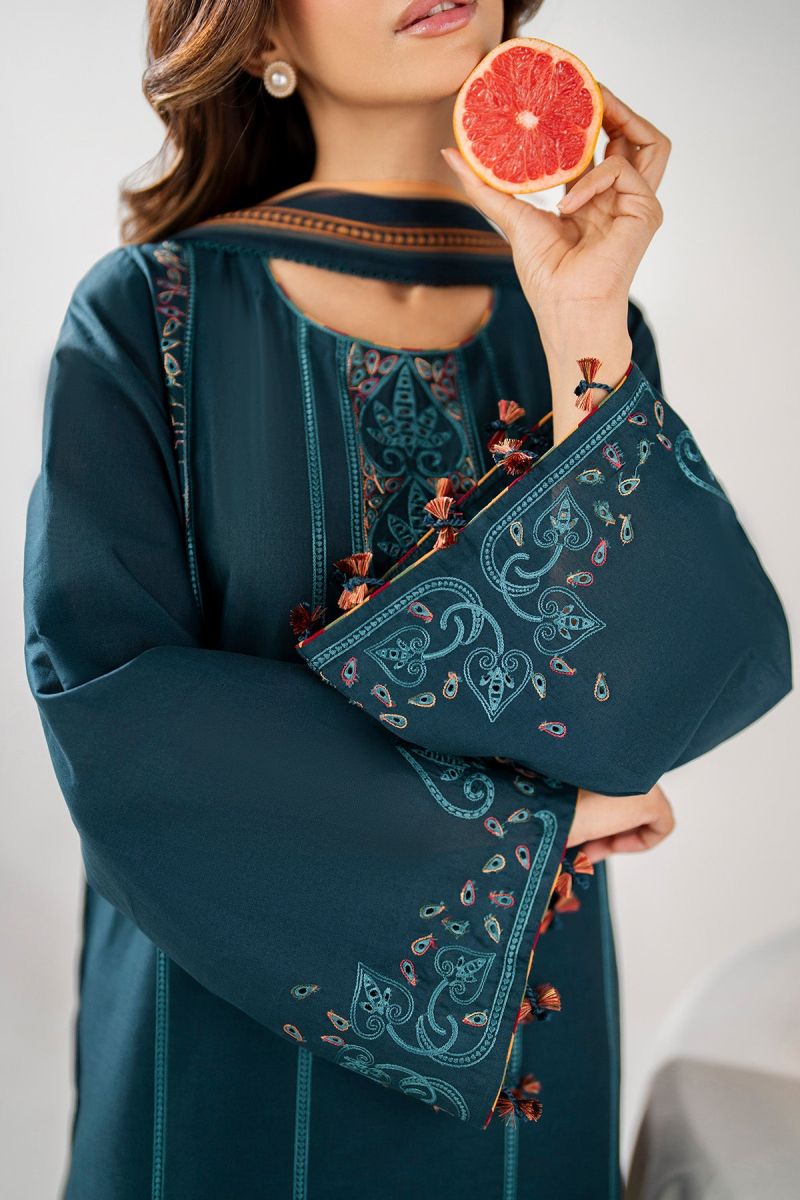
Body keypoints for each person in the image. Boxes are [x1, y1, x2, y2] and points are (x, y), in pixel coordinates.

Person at [21, 1, 791, 1198]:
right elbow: (111, 710)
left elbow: (646, 697)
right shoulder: (150, 309)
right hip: (221, 1043)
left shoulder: (581, 321)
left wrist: (583, 317)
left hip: (520, 1054)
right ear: (259, 36)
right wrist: (533, 824)